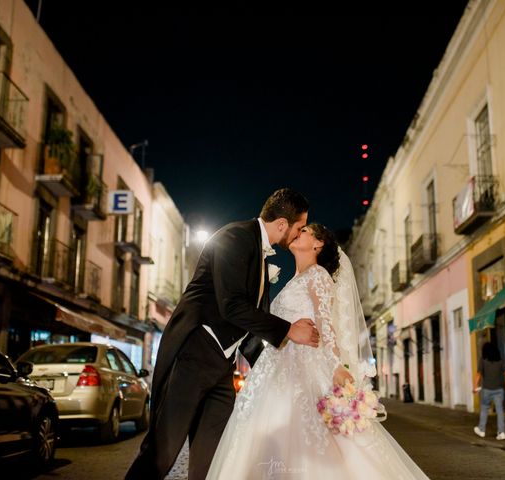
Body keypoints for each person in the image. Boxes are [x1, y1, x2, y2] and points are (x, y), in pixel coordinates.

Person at [126, 188, 321, 480]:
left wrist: (276, 367)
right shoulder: (235, 238)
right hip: (193, 355)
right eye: (298, 226)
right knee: (162, 452)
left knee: (213, 458)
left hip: (222, 369)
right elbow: (231, 306)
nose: (299, 233)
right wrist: (289, 330)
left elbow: (249, 329)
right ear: (282, 224)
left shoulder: (260, 253)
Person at [206, 224, 429, 479]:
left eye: (305, 231)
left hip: (305, 367)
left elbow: (326, 326)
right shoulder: (294, 280)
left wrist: (336, 366)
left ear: (318, 244)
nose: (297, 232)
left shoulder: (318, 275)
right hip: (277, 368)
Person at [473, 342, 505, 440]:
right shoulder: (501, 361)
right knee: (500, 411)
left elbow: (479, 374)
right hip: (499, 390)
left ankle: (481, 430)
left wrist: (475, 386)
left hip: (487, 390)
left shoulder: (483, 360)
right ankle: (502, 432)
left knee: (484, 409)